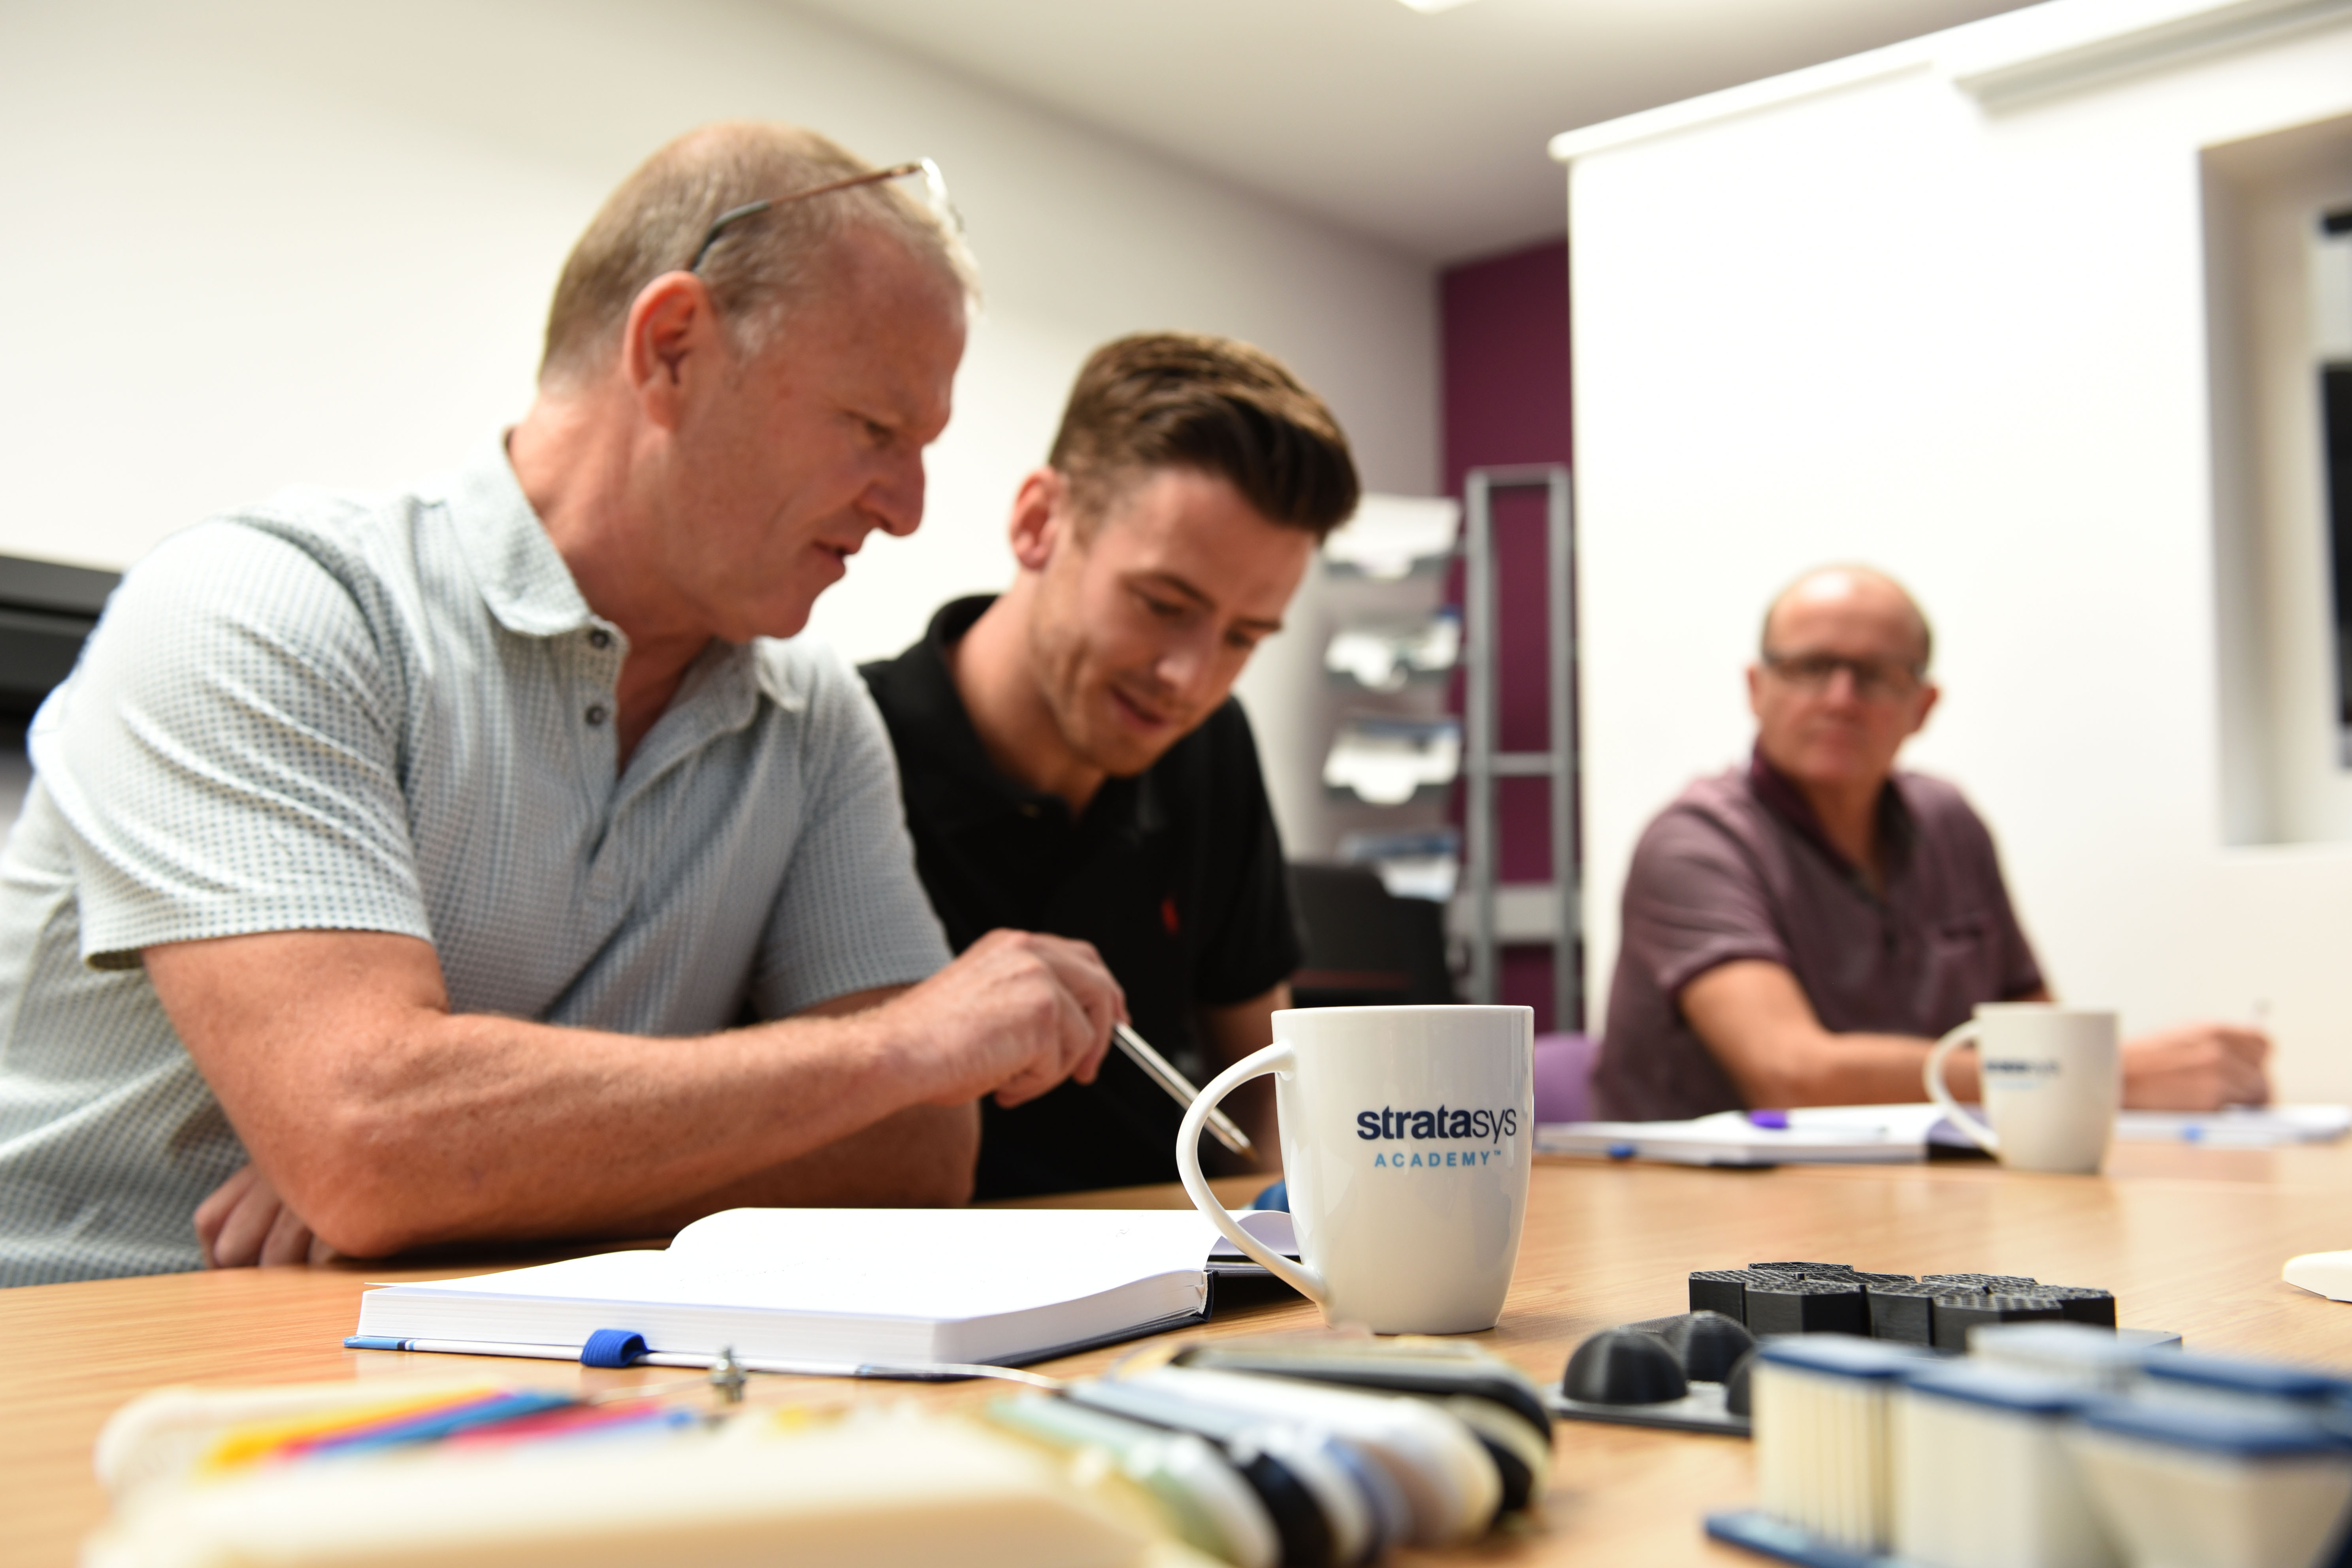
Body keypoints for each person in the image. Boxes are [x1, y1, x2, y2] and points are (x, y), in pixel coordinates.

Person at [0, 122, 1129, 1287]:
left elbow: (915, 1152)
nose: (906, 508)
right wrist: (892, 1048)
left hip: (456, 1371)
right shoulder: (267, 607)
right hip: (73, 1362)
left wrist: (465, 1169)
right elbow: (370, 1140)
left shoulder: (814, 720)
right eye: (875, 429)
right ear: (675, 348)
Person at [860, 333, 1358, 1198]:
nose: (1190, 680)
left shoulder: (1210, 745)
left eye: (1244, 637)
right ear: (1038, 523)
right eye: (1163, 604)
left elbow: (1266, 1087)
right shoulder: (847, 748)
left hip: (1174, 1266)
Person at [1592, 565, 2271, 1122]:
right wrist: (2108, 1075)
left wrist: (2118, 1077)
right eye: (1809, 668)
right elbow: (1792, 1076)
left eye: (1877, 675)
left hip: (1923, 1197)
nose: (1840, 699)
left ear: (1923, 705)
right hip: (1708, 1230)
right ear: (1756, 688)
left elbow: (2036, 1028)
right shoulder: (1696, 843)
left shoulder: (1948, 822)